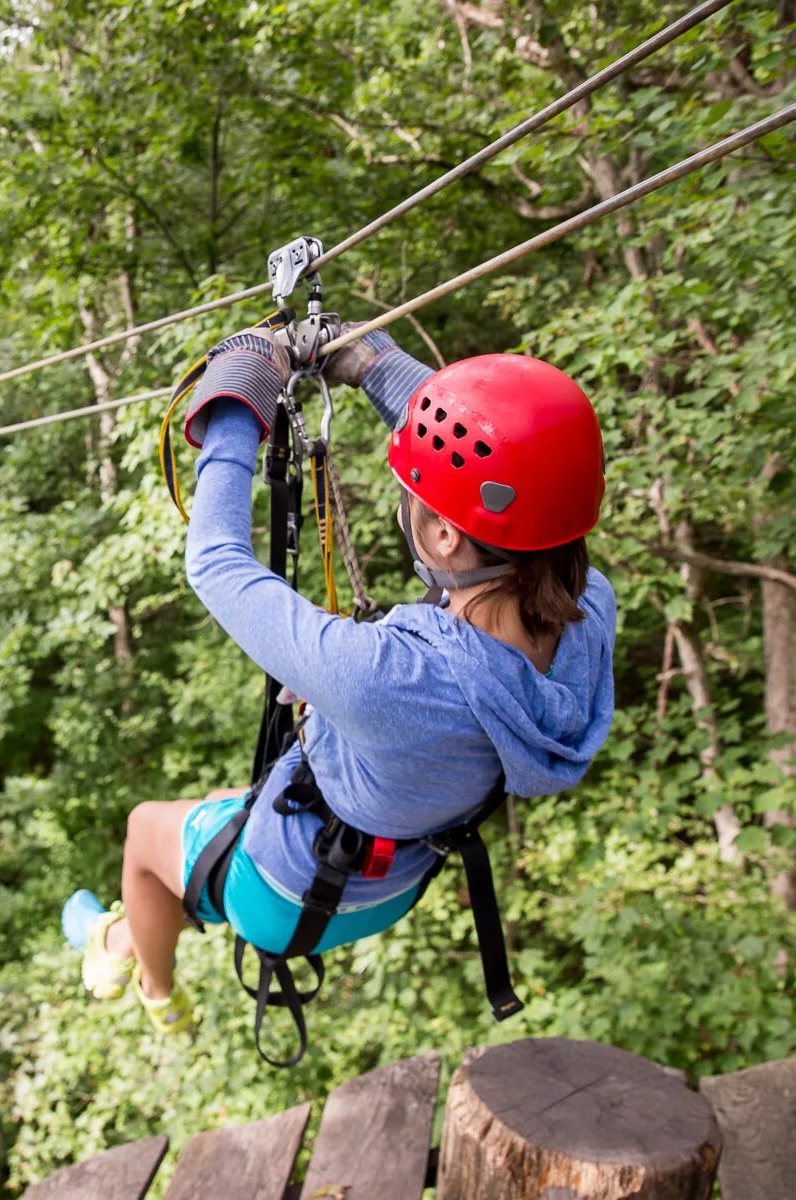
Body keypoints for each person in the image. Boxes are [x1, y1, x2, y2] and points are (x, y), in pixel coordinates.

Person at [62, 325, 617, 1036]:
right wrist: (373, 367)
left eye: (413, 493)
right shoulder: (585, 607)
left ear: (445, 537)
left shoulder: (387, 677)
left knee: (145, 834)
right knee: (212, 807)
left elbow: (217, 564)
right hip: (395, 872)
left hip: (290, 891)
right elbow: (521, 467)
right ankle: (138, 938)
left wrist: (236, 404)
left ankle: (146, 978)